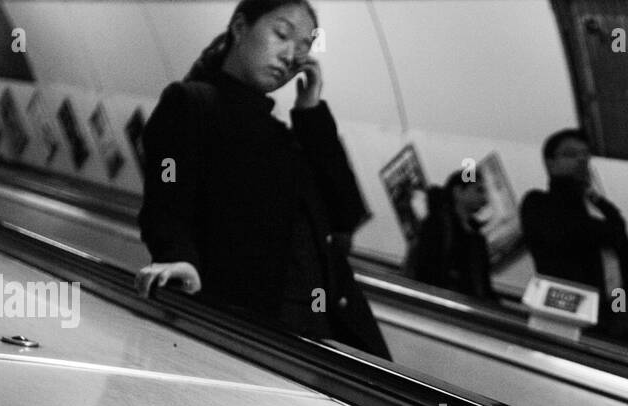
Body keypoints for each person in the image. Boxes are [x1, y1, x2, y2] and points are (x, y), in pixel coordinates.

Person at [135, 0, 388, 359]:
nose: (290, 55)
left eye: (304, 47)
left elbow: (345, 213)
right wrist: (178, 258)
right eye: (281, 34)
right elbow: (166, 203)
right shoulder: (192, 105)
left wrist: (311, 112)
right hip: (257, 331)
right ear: (239, 28)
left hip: (323, 331)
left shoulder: (284, 134)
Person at [520, 129, 628, 343]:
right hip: (569, 311)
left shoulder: (601, 207)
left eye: (585, 154)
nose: (581, 159)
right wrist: (578, 191)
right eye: (570, 154)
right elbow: (575, 231)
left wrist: (624, 309)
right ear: (550, 163)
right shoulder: (538, 203)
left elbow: (625, 258)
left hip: (615, 304)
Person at [407, 170, 497, 303]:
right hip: (444, 306)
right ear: (458, 192)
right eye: (478, 190)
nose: (484, 199)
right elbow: (426, 271)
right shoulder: (438, 226)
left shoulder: (476, 237)